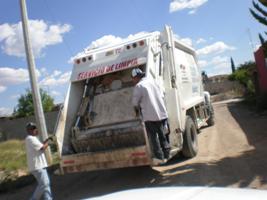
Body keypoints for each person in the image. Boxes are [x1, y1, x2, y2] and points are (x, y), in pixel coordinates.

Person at [131, 68, 170, 162]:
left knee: (153, 137)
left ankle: (159, 157)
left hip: (149, 116)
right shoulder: (153, 82)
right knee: (162, 135)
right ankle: (167, 153)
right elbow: (161, 95)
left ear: (136, 77)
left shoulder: (139, 86)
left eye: (133, 78)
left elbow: (135, 102)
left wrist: (136, 112)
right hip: (161, 113)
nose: (133, 80)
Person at [25, 122, 53, 200]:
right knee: (44, 184)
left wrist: (47, 140)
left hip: (40, 166)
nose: (34, 130)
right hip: (37, 166)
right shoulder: (30, 138)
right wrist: (49, 142)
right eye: (32, 128)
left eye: (34, 128)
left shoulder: (33, 138)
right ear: (28, 130)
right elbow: (42, 148)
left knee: (45, 185)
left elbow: (41, 145)